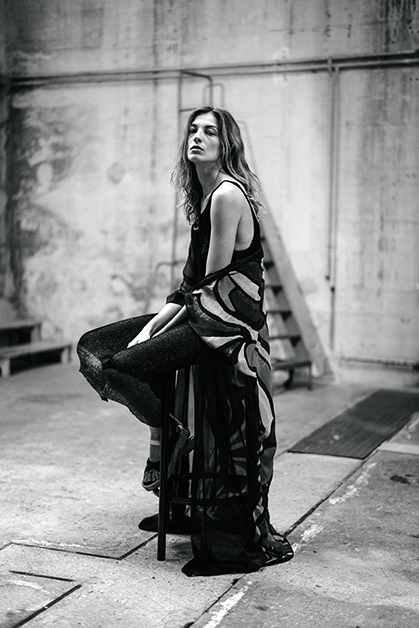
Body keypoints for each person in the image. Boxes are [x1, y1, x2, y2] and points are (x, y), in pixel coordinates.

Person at [77, 106, 294, 576]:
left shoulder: (227, 195)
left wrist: (153, 333)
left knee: (123, 366)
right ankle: (173, 439)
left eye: (209, 131)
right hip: (200, 314)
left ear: (226, 144)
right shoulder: (205, 196)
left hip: (224, 329)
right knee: (95, 349)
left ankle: (173, 435)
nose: (197, 136)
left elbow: (210, 285)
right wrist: (149, 328)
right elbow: (189, 286)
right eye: (193, 130)